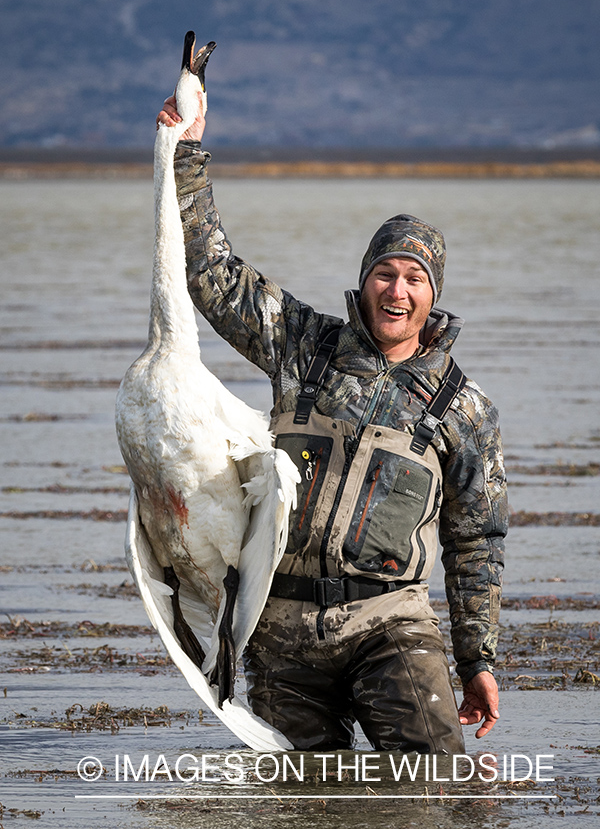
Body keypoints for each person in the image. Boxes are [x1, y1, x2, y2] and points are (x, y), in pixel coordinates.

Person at [157, 95, 508, 752]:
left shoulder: (465, 409)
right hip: (280, 628)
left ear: (433, 297)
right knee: (296, 802)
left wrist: (477, 660)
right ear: (364, 281)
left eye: (413, 278)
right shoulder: (302, 344)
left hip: (390, 627)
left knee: (435, 785)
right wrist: (186, 155)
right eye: (385, 273)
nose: (397, 290)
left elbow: (476, 540)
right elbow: (210, 275)